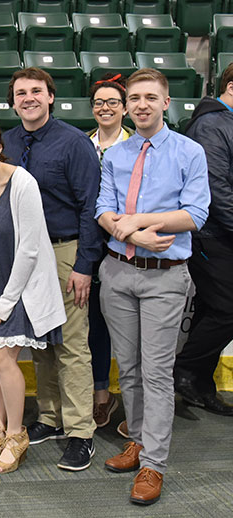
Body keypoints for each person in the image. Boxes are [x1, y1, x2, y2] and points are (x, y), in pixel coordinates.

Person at [96, 68, 210, 505]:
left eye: (150, 97)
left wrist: (139, 224)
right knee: (129, 369)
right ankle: (139, 442)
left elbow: (194, 214)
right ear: (126, 106)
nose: (141, 104)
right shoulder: (117, 155)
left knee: (157, 372)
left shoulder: (189, 151)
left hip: (165, 276)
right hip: (117, 273)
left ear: (166, 103)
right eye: (134, 98)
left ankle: (153, 466)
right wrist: (129, 235)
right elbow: (104, 208)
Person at [2, 68, 103, 471]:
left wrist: (83, 265)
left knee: (72, 344)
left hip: (65, 251)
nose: (28, 98)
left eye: (36, 91)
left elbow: (90, 207)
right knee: (39, 340)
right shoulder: (6, 142)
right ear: (12, 102)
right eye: (21, 92)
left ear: (50, 98)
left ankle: (81, 432)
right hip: (24, 255)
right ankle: (50, 417)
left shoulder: (73, 142)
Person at [0, 116, 66, 474]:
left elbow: (30, 250)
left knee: (2, 359)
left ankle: (17, 434)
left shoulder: (22, 182)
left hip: (25, 287)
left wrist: (5, 302)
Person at [172, 62, 233, 416]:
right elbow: (215, 189)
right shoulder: (212, 124)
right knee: (227, 309)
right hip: (209, 234)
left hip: (222, 234)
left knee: (212, 309)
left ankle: (199, 386)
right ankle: (182, 370)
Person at [86, 73, 135, 433]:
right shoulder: (82, 145)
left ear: (125, 108)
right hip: (90, 246)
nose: (105, 108)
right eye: (99, 103)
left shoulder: (138, 145)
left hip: (127, 246)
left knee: (133, 330)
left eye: (112, 102)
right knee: (94, 326)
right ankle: (101, 395)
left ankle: (140, 412)